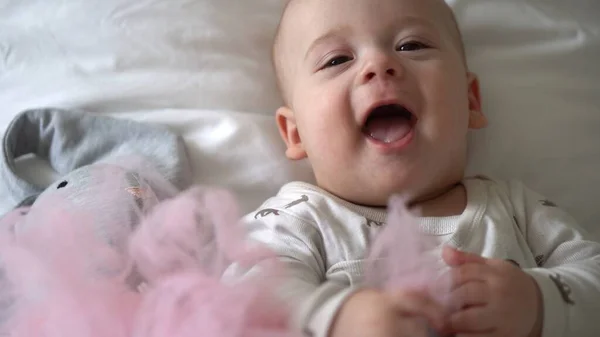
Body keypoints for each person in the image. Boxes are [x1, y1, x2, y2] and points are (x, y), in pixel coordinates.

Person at [227, 0, 600, 336]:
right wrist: (336, 317)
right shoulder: (299, 221)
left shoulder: (515, 208)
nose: (379, 65)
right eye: (337, 60)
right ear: (296, 133)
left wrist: (538, 302)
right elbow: (241, 298)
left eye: (411, 46)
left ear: (470, 101)